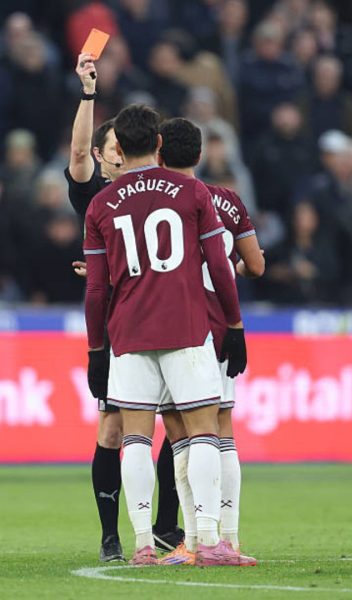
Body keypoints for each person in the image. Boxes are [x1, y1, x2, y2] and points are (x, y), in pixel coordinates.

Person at [82, 104, 247, 566]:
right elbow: (219, 265)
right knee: (203, 433)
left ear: (117, 148)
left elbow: (96, 289)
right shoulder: (192, 191)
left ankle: (140, 545)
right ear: (158, 143)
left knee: (135, 438)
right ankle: (210, 540)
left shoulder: (102, 203)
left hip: (128, 333)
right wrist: (233, 325)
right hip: (187, 328)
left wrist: (97, 349)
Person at [66, 51, 182, 563]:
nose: (116, 155)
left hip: (166, 317)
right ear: (101, 153)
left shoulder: (161, 192)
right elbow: (75, 156)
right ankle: (113, 535)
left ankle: (164, 526)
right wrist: (89, 93)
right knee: (116, 429)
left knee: (178, 423)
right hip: (117, 328)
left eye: (120, 146)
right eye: (108, 148)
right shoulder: (95, 197)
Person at [154, 117, 263, 566]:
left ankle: (198, 540)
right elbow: (254, 265)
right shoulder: (227, 200)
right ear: (200, 155)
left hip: (170, 328)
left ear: (159, 152)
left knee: (181, 434)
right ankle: (228, 538)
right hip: (220, 326)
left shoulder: (153, 203)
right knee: (221, 430)